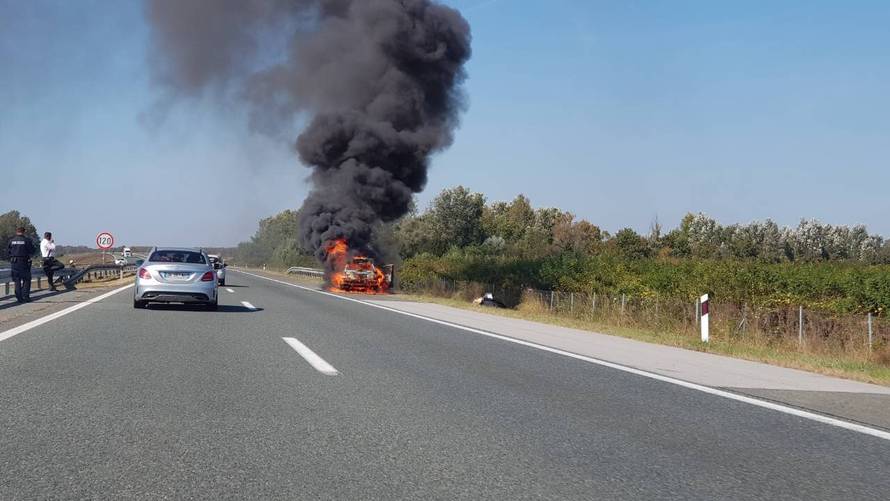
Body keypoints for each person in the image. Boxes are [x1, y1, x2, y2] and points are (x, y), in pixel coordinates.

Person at [7, 226, 36, 303]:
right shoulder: (27, 240)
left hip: (14, 262)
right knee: (26, 279)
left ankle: (19, 298)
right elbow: (32, 251)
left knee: (17, 280)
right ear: (24, 232)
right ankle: (26, 296)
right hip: (24, 262)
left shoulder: (11, 241)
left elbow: (8, 251)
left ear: (16, 231)